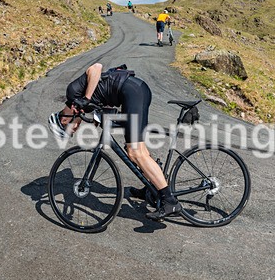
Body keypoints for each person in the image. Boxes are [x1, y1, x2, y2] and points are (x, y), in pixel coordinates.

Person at [47, 63, 182, 221]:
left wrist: (87, 98)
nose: (75, 129)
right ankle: (151, 187)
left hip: (132, 92)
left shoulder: (72, 93)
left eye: (71, 129)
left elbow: (96, 68)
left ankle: (170, 201)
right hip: (132, 92)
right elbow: (103, 94)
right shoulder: (80, 106)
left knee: (135, 152)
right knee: (135, 149)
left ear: (63, 120)